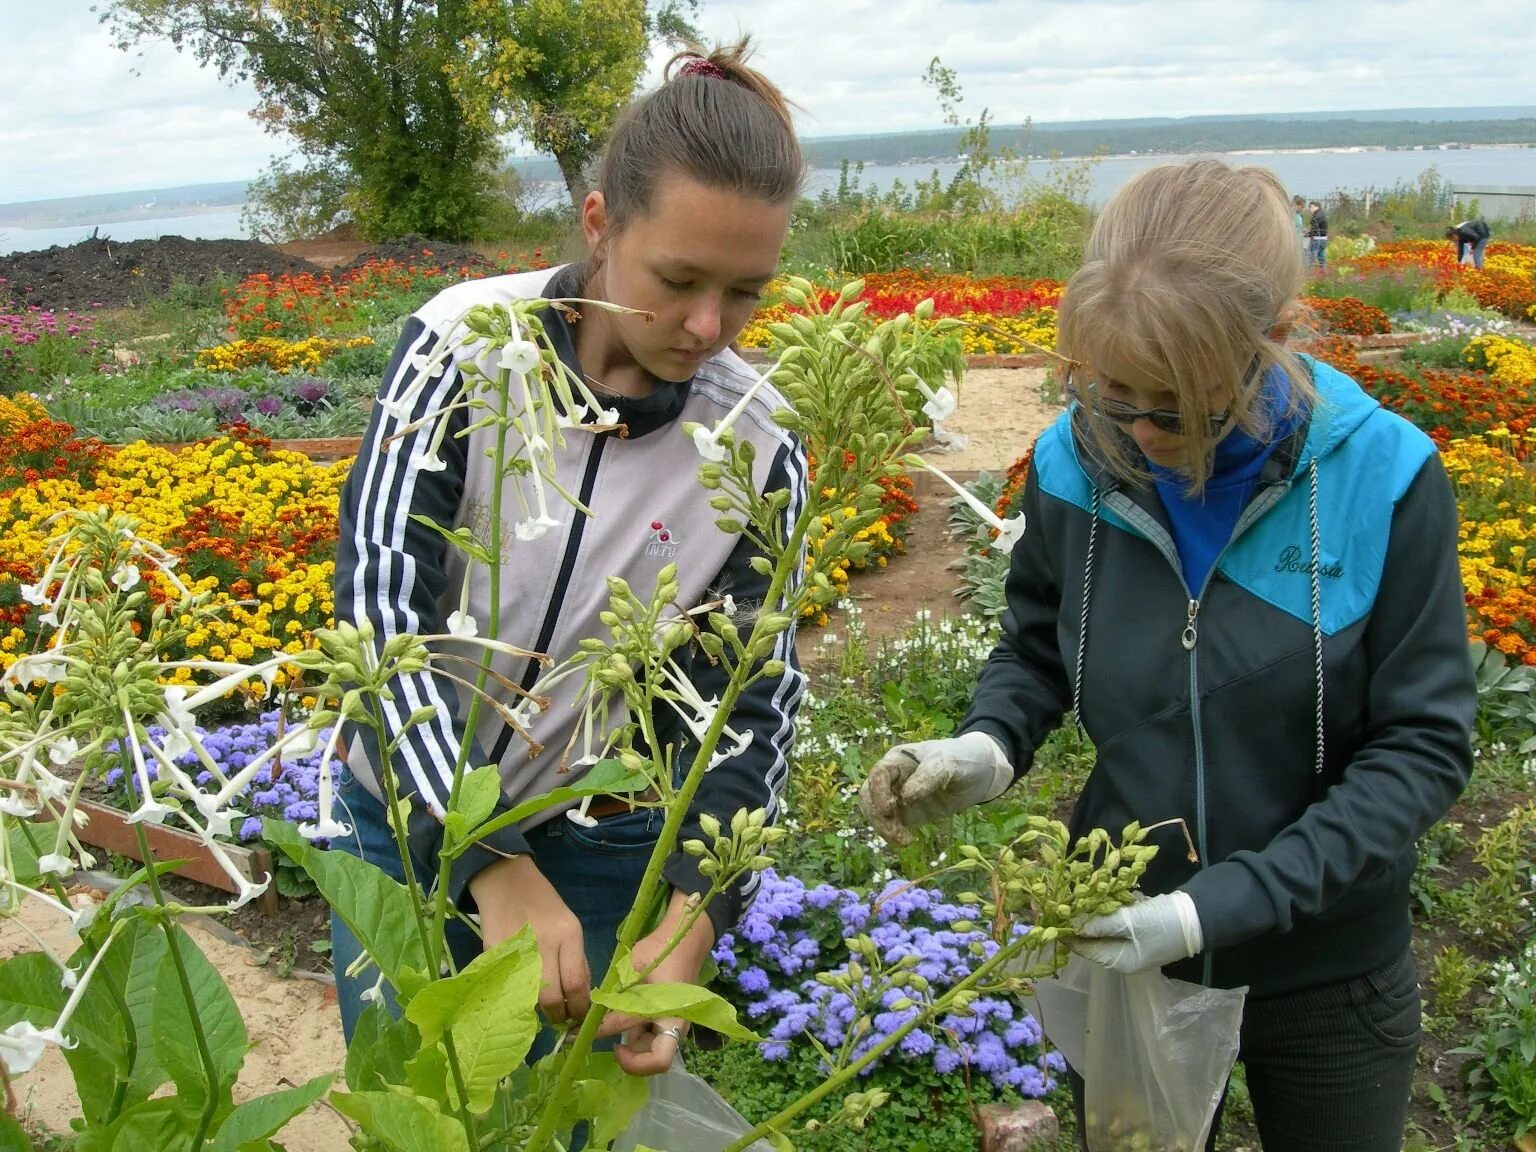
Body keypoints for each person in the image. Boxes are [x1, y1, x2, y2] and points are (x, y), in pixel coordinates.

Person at [860, 158, 1475, 1152]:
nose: (1139, 436)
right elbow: (1037, 647)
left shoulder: (1386, 477)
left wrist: (1211, 911)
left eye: (1176, 409)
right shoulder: (1074, 461)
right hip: (1129, 935)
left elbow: (1422, 750)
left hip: (1327, 965)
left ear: (1275, 337)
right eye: (1113, 396)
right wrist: (990, 743)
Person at [330, 39, 808, 1080]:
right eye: (677, 279)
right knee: (410, 1106)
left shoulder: (761, 443)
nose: (706, 328)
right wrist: (486, 858)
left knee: (571, 1114)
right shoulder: (460, 348)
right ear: (599, 226)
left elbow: (751, 700)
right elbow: (378, 615)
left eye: (747, 294)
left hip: (600, 843)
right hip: (405, 819)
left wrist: (696, 910)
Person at [1305, 199, 1328, 272]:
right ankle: (1324, 273)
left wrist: (1307, 234)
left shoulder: (1317, 216)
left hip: (1317, 239)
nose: (1309, 209)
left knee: (1311, 258)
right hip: (1323, 239)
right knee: (1321, 257)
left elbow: (1315, 229)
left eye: (1311, 207)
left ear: (1316, 207)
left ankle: (1309, 274)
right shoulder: (1322, 214)